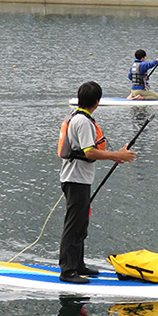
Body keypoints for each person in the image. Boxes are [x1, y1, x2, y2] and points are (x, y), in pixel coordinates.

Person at [58, 81, 137, 284]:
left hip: (78, 178)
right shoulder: (83, 122)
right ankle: (67, 271)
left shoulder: (76, 117)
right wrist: (115, 155)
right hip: (75, 179)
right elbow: (89, 152)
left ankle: (78, 264)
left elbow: (89, 151)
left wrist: (116, 155)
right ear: (97, 102)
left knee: (81, 222)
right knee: (73, 225)